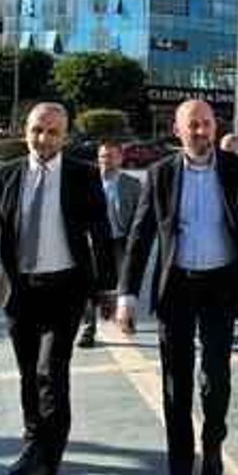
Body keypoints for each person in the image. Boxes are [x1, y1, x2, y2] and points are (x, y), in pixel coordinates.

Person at [0, 102, 114, 475]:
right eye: (37, 130)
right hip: (19, 291)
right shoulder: (6, 174)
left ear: (65, 136)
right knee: (29, 372)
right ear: (25, 130)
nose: (43, 139)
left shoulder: (82, 174)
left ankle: (52, 464)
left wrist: (107, 288)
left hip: (66, 290)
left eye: (53, 132)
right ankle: (33, 442)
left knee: (51, 373)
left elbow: (100, 231)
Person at [115, 100, 238, 475]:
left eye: (206, 124)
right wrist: (127, 294)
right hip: (177, 288)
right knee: (175, 387)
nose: (200, 132)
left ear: (215, 127)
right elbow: (140, 236)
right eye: (192, 125)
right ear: (177, 130)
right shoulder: (161, 174)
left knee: (215, 380)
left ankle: (213, 440)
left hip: (222, 286)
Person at [77, 141, 142, 348]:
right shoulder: (87, 182)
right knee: (89, 285)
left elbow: (140, 216)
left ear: (120, 159)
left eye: (111, 156)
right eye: (103, 156)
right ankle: (89, 329)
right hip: (94, 241)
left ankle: (125, 318)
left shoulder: (132, 184)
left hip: (121, 240)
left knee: (125, 283)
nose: (106, 160)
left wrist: (136, 241)